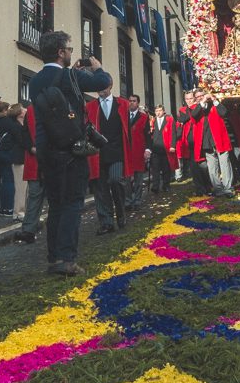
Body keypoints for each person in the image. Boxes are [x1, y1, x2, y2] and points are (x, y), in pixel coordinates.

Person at [30, 30, 111, 275]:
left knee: (55, 204)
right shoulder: (71, 76)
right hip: (72, 149)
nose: (71, 53)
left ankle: (54, 258)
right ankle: (67, 259)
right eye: (69, 49)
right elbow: (103, 82)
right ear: (61, 52)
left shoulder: (34, 81)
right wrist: (97, 68)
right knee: (73, 203)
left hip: (46, 150)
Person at [87, 84, 132, 234]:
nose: (100, 89)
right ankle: (106, 222)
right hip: (97, 154)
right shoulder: (91, 106)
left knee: (115, 180)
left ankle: (121, 213)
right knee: (100, 189)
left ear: (110, 86)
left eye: (103, 85)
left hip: (117, 152)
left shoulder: (123, 104)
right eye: (98, 85)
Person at [192, 89, 235, 197]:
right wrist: (202, 103)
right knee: (212, 168)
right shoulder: (196, 107)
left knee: (225, 165)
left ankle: (228, 188)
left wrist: (215, 100)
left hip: (220, 139)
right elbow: (194, 115)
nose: (201, 97)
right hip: (206, 142)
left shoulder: (214, 105)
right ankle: (218, 189)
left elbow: (224, 113)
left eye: (202, 95)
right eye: (198, 97)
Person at [0, 101, 30, 219]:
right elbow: (22, 142)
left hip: (15, 156)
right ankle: (17, 212)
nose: (25, 110)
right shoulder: (16, 127)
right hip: (17, 157)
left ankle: (14, 211)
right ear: (19, 114)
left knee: (18, 185)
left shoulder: (17, 125)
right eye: (23, 108)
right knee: (18, 185)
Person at [17, 102, 46, 244]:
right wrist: (31, 147)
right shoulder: (31, 110)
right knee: (34, 195)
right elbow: (25, 133)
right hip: (36, 161)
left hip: (55, 160)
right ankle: (28, 230)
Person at [124, 94, 150, 209]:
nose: (131, 103)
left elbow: (148, 136)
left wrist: (148, 150)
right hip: (126, 151)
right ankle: (128, 201)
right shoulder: (123, 116)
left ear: (138, 103)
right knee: (126, 179)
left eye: (134, 101)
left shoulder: (144, 117)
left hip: (139, 151)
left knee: (139, 179)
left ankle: (137, 200)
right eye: (129, 101)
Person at [147, 103, 176, 194]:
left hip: (165, 148)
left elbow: (173, 133)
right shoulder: (153, 121)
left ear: (163, 111)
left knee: (165, 169)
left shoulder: (169, 120)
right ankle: (155, 186)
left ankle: (166, 185)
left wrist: (172, 145)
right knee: (155, 169)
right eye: (156, 111)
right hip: (155, 148)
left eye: (160, 111)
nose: (158, 113)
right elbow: (149, 134)